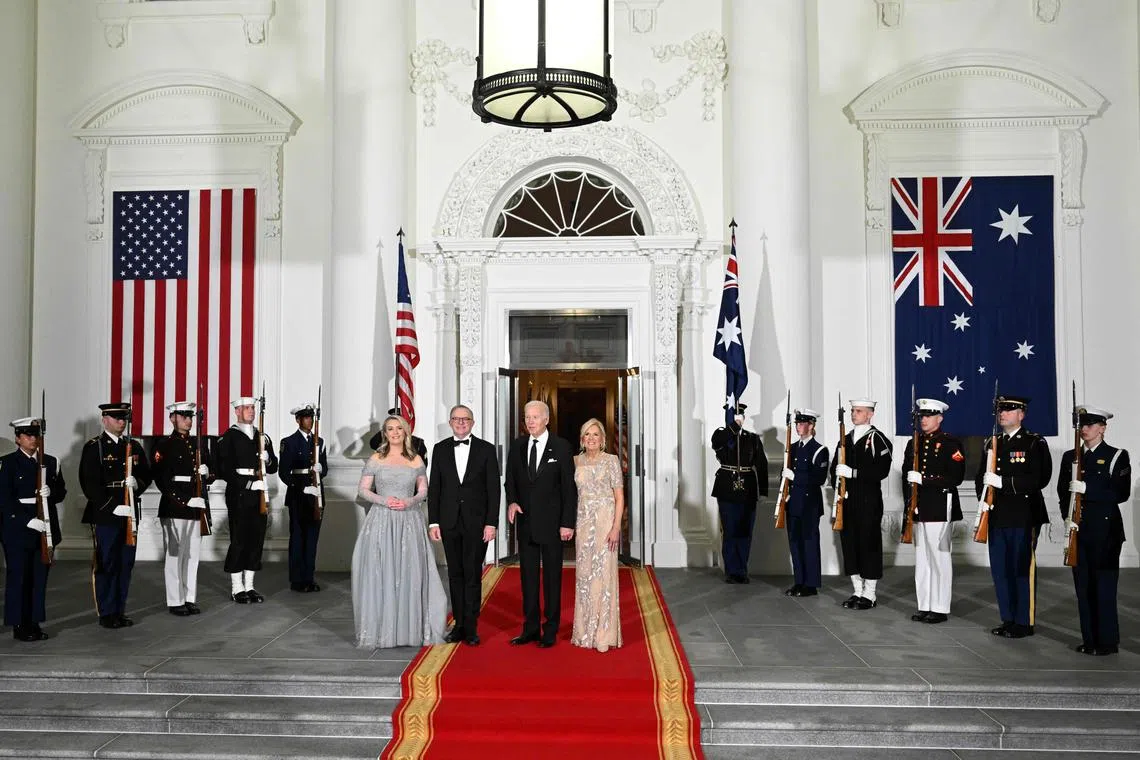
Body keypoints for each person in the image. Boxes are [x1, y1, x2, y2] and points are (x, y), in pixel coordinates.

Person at [353, 414, 446, 648]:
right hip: (382, 521)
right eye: (389, 429)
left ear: (406, 432)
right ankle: (383, 631)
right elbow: (363, 490)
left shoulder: (415, 460)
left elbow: (424, 490)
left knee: (410, 572)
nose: (394, 433)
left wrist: (409, 501)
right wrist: (385, 501)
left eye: (398, 429)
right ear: (385, 433)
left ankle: (411, 630)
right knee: (382, 571)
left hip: (409, 521)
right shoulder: (376, 458)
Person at [975, 394, 1052, 639]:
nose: (1002, 414)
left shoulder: (1033, 442)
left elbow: (1039, 478)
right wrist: (984, 500)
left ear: (1022, 414)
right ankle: (1008, 618)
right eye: (1000, 410)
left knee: (1021, 569)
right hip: (997, 514)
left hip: (1023, 515)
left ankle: (1023, 621)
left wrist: (1004, 483)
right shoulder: (992, 441)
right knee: (1001, 570)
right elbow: (981, 477)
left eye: (1009, 410)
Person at [1057, 405, 1130, 656]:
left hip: (1106, 531)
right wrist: (1068, 517)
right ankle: (1089, 639)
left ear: (1103, 428)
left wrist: (1088, 490)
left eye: (1090, 425)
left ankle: (1107, 642)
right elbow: (1061, 492)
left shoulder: (1116, 455)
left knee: (1104, 587)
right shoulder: (1071, 457)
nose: (1085, 429)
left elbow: (1120, 493)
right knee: (1083, 588)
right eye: (1082, 425)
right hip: (1079, 530)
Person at [504, 400, 576, 648]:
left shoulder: (562, 447)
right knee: (528, 579)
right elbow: (510, 479)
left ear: (547, 419)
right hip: (525, 523)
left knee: (553, 579)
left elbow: (569, 488)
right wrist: (512, 501)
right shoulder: (517, 446)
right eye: (527, 417)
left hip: (554, 525)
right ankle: (531, 628)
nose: (530, 421)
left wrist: (567, 523)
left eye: (535, 417)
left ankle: (551, 629)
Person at [428, 404, 500, 647]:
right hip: (448, 522)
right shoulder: (440, 449)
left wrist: (491, 523)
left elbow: (493, 490)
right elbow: (435, 487)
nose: (461, 423)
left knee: (472, 575)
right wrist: (434, 521)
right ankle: (458, 624)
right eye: (456, 419)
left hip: (477, 523)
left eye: (465, 419)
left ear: (473, 422)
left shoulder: (486, 450)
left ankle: (471, 626)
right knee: (455, 574)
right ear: (450, 423)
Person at [79, 402, 153, 629]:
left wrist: (137, 485)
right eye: (117, 418)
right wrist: (112, 505)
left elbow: (146, 475)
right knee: (106, 562)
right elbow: (89, 483)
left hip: (129, 510)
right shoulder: (95, 447)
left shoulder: (134, 446)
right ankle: (107, 611)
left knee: (125, 563)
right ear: (105, 419)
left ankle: (119, 610)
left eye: (124, 419)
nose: (122, 422)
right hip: (106, 514)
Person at [901, 398, 965, 624]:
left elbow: (955, 477)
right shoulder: (913, 443)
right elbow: (905, 476)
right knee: (923, 559)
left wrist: (925, 479)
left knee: (939, 558)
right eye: (921, 416)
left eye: (928, 416)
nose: (924, 420)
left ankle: (939, 607)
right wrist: (909, 504)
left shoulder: (950, 443)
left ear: (940, 418)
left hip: (939, 507)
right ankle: (925, 604)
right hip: (919, 507)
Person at [0, 417, 65, 641]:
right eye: (28, 435)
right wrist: (25, 520)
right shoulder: (7, 463)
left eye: (36, 435)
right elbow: (4, 499)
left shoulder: (50, 461)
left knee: (39, 578)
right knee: (19, 577)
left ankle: (34, 622)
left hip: (44, 525)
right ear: (18, 438)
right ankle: (19, 625)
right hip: (19, 528)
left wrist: (51, 492)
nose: (33, 439)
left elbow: (61, 492)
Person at [151, 401, 213, 616]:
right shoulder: (164, 444)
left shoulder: (198, 443)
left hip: (197, 505)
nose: (188, 420)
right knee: (175, 555)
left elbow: (211, 473)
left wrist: (207, 473)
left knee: (192, 555)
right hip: (175, 507)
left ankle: (189, 597)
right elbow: (161, 479)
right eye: (184, 416)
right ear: (172, 418)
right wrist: (185, 500)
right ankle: (175, 600)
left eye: (190, 416)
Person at [216, 396, 279, 604]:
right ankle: (237, 587)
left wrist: (267, 458)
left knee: (256, 539)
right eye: (247, 408)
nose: (251, 411)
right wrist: (247, 484)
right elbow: (223, 469)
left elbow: (273, 467)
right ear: (237, 411)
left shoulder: (263, 437)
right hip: (240, 493)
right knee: (240, 539)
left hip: (259, 493)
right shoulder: (229, 437)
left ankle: (250, 586)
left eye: (253, 408)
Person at [830, 398, 892, 610]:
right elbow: (834, 470)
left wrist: (853, 473)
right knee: (850, 546)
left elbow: (881, 471)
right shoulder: (844, 439)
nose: (853, 414)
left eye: (858, 411)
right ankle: (857, 590)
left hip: (868, 501)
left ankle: (870, 593)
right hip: (847, 501)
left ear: (869, 414)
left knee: (869, 545)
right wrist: (837, 483)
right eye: (853, 410)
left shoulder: (877, 439)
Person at [571, 418, 624, 652]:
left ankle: (603, 634)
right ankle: (584, 633)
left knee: (604, 576)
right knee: (584, 577)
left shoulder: (611, 461)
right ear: (582, 439)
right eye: (587, 435)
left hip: (605, 524)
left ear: (603, 439)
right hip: (583, 524)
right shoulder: (575, 461)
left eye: (595, 435)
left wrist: (616, 528)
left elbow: (619, 497)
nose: (591, 439)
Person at [710, 403, 768, 584]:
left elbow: (762, 464)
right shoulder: (721, 435)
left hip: (748, 489)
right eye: (734, 416)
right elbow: (716, 443)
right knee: (730, 530)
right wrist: (733, 427)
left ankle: (741, 570)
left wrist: (764, 491)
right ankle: (731, 570)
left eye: (739, 416)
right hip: (727, 488)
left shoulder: (752, 438)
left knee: (745, 531)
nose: (738, 419)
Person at [279, 403, 328, 593]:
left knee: (312, 538)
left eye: (311, 418)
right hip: (298, 496)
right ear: (298, 420)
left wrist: (321, 470)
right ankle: (297, 580)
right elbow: (284, 473)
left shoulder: (319, 442)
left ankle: (309, 577)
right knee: (298, 537)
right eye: (306, 418)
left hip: (316, 494)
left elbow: (324, 468)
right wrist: (302, 488)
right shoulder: (289, 442)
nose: (310, 421)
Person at [781, 408, 828, 597]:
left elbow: (819, 478)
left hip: (809, 504)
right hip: (793, 502)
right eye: (797, 423)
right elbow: (786, 474)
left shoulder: (819, 450)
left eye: (802, 424)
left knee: (809, 543)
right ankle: (799, 581)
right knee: (795, 543)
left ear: (811, 425)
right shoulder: (791, 448)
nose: (798, 427)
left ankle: (811, 584)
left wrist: (795, 476)